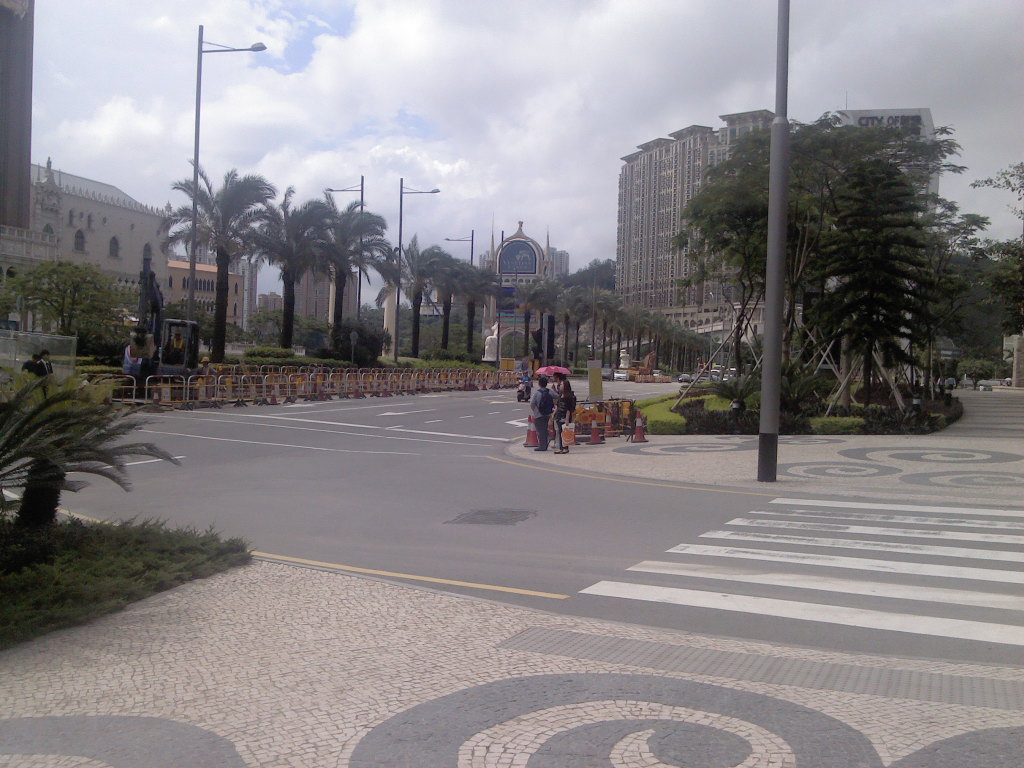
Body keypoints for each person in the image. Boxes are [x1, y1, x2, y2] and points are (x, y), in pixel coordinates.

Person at [552, 371, 576, 454]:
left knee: (565, 431)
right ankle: (561, 448)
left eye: (562, 385)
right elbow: (558, 406)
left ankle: (565, 448)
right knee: (559, 431)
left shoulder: (568, 396)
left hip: (565, 416)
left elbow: (569, 408)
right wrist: (554, 414)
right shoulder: (560, 395)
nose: (560, 385)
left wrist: (567, 419)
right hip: (559, 415)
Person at [529, 375, 554, 452]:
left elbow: (532, 404)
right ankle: (545, 442)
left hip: (539, 414)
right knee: (544, 429)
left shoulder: (537, 393)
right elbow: (557, 397)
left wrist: (535, 411)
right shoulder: (550, 391)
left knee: (540, 431)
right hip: (547, 414)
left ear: (539, 384)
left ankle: (542, 446)